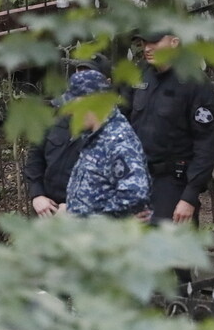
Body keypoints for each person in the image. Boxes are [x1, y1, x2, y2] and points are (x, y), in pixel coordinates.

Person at [126, 32, 214, 225]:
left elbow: (206, 143)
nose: (147, 48)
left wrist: (190, 195)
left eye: (154, 42)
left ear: (174, 42)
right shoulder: (138, 74)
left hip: (173, 183)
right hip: (136, 179)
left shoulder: (194, 82)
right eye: (144, 42)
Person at [24, 53, 112, 217]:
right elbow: (35, 157)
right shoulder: (58, 113)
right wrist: (37, 195)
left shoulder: (113, 127)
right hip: (47, 210)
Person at [61, 69, 151, 218]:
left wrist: (81, 218)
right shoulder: (96, 136)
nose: (69, 112)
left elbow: (135, 196)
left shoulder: (118, 141)